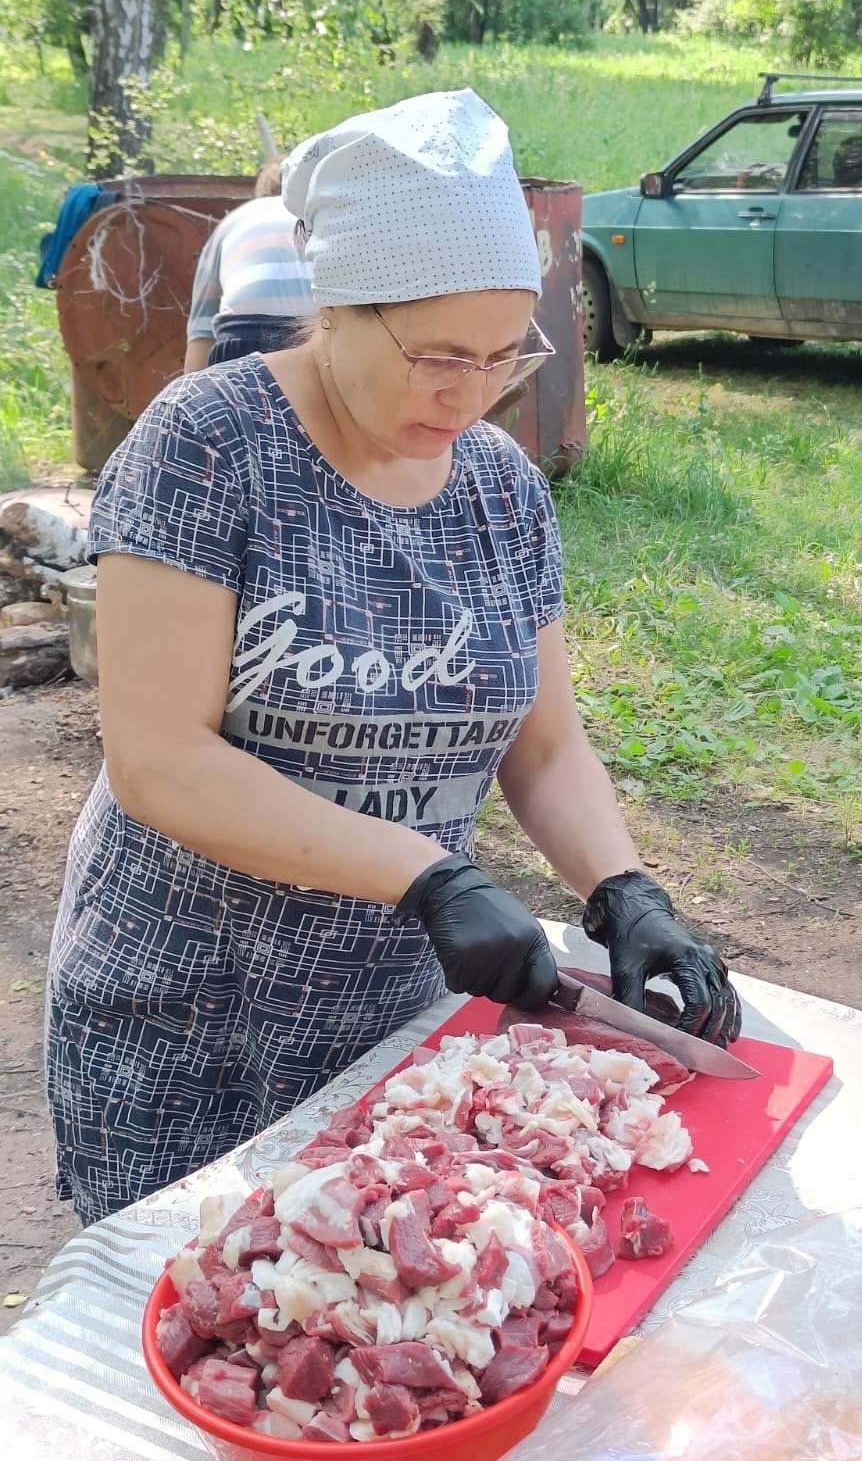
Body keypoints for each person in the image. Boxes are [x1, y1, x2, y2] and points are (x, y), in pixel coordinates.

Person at [46, 90, 741, 1227]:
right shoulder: (208, 445)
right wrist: (430, 874)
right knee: (192, 1330)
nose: (470, 396)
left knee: (372, 1308)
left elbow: (547, 745)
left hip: (392, 1016)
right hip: (184, 1013)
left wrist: (624, 891)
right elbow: (158, 759)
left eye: (502, 356)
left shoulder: (500, 488)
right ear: (339, 308)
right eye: (437, 357)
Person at [183, 158, 315, 370]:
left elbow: (201, 337)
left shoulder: (236, 221)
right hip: (317, 330)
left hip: (243, 337)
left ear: (260, 195)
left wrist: (192, 396)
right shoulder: (318, 215)